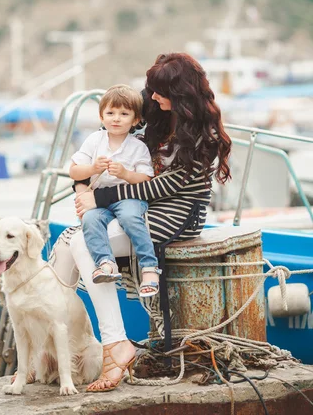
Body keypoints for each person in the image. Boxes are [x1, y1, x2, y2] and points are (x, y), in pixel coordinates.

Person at [49, 53, 231, 392]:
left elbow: (165, 186)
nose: (154, 97)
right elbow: (106, 154)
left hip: (176, 214)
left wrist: (99, 199)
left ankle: (109, 346)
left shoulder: (203, 136)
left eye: (160, 91)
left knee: (78, 242)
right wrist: (83, 187)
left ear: (180, 93)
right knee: (74, 242)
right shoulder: (158, 117)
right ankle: (65, 347)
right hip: (135, 203)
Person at [69, 84, 161, 296]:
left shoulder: (138, 146)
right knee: (91, 220)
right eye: (110, 113)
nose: (116, 118)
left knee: (130, 217)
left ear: (135, 120)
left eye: (124, 114)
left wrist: (125, 174)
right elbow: (74, 171)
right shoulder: (94, 140)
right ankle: (106, 263)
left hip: (128, 197)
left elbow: (145, 177)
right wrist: (93, 168)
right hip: (99, 200)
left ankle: (149, 267)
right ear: (101, 117)